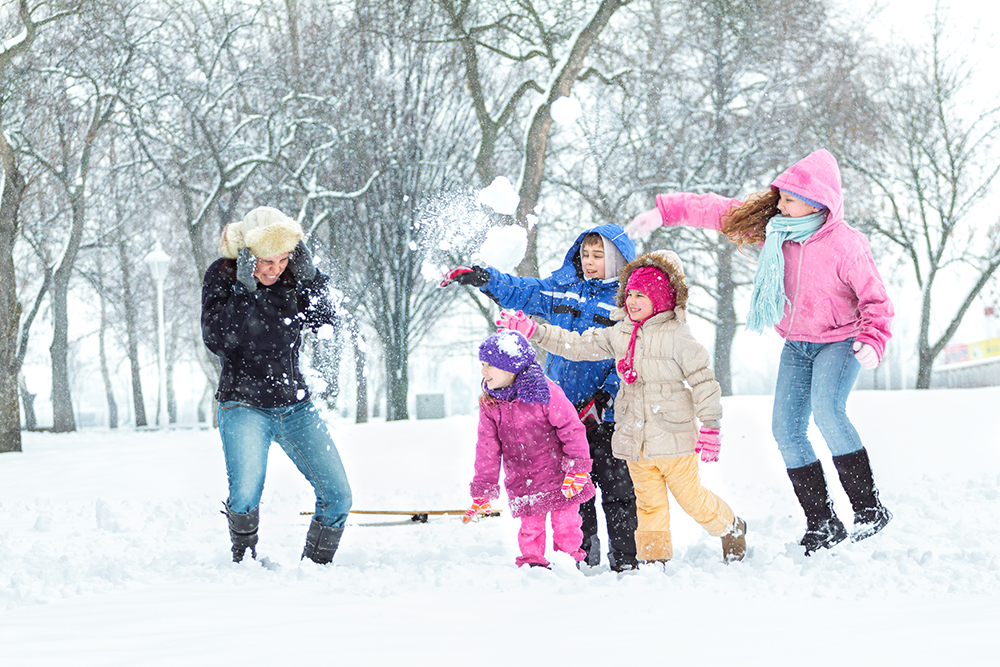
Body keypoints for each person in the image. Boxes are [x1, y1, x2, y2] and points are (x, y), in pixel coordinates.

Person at [625, 148, 893, 555]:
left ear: (818, 201)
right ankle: (822, 522)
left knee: (828, 410)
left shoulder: (845, 244)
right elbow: (718, 212)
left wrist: (873, 337)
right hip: (797, 343)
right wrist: (664, 213)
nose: (779, 204)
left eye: (788, 197)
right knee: (786, 429)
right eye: (780, 196)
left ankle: (869, 508)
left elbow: (875, 299)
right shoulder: (776, 231)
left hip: (840, 340)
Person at [498, 250, 747, 564]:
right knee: (649, 506)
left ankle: (731, 527)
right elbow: (577, 345)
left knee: (692, 500)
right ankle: (655, 560)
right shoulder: (620, 333)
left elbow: (704, 382)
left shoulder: (679, 337)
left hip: (673, 438)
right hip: (635, 440)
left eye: (640, 295)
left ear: (659, 298)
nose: (631, 301)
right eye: (629, 293)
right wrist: (535, 331)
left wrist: (710, 426)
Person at [442, 225, 640, 572]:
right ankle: (582, 556)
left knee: (617, 489)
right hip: (565, 415)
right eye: (585, 255)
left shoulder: (627, 303)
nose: (589, 262)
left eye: (598, 256)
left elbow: (631, 352)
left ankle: (625, 559)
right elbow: (524, 291)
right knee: (575, 492)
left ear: (618, 260)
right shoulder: (563, 291)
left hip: (609, 417)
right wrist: (485, 279)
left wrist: (607, 395)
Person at [201, 206, 352, 565]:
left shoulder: (294, 279)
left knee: (338, 495)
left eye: (283, 260)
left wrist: (312, 279)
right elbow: (219, 340)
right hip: (242, 404)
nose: (275, 269)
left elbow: (325, 323)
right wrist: (244, 290)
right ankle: (245, 565)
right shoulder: (221, 278)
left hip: (295, 405)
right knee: (245, 494)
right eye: (267, 261)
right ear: (246, 255)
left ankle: (316, 569)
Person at [466, 330, 596, 569]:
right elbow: (487, 449)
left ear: (510, 368)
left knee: (567, 524)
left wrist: (577, 468)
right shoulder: (491, 404)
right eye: (482, 364)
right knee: (530, 530)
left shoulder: (544, 393)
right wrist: (483, 490)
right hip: (524, 479)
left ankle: (567, 564)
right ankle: (533, 566)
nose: (483, 372)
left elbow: (571, 429)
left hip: (560, 476)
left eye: (489, 365)